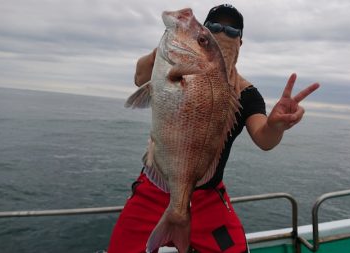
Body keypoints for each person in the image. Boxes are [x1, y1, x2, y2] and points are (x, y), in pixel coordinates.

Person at [108, 4, 319, 253]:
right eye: (216, 27)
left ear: (241, 42)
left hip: (208, 194)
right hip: (155, 184)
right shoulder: (170, 61)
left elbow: (264, 139)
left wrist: (276, 125)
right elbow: (139, 77)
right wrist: (173, 43)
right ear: (205, 33)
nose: (224, 33)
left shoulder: (247, 94)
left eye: (232, 30)